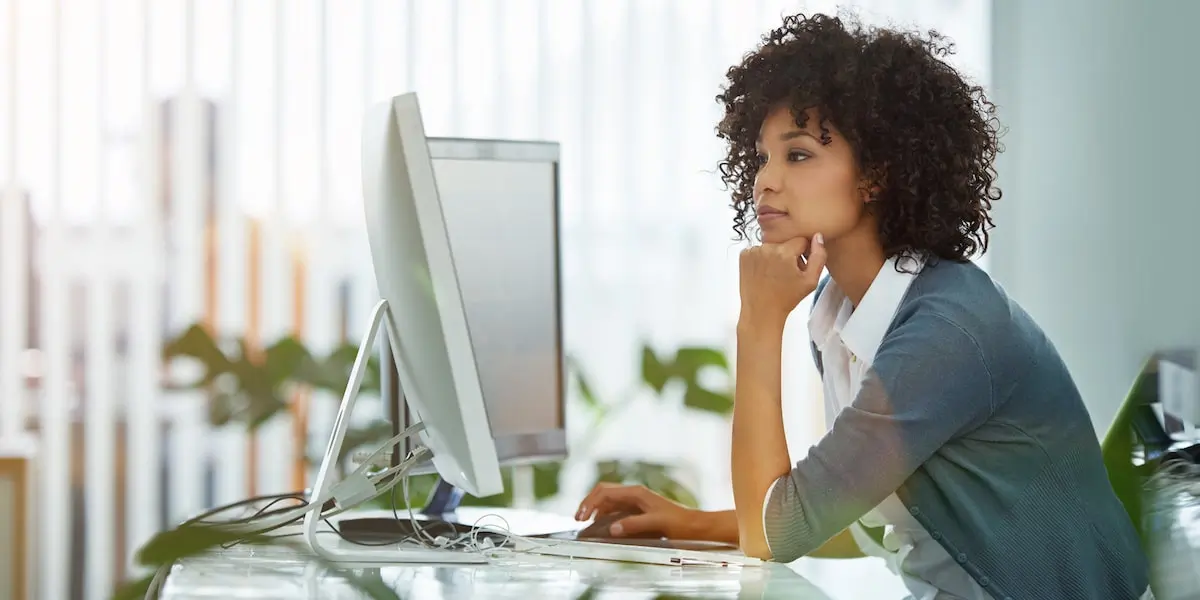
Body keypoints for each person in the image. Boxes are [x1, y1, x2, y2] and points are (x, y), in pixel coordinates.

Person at [575, 12, 1151, 600]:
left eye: (798, 155)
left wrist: (759, 322)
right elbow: (855, 510)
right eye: (762, 156)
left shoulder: (946, 331)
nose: (765, 181)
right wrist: (688, 524)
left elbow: (775, 535)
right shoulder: (840, 313)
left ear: (875, 174)